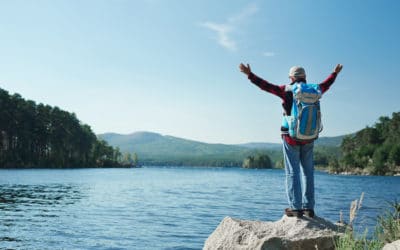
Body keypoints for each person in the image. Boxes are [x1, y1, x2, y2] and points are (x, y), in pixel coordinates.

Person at [239, 63, 343, 217]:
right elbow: (327, 84)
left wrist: (250, 74)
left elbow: (266, 86)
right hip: (309, 136)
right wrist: (334, 73)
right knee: (308, 172)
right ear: (305, 77)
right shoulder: (315, 89)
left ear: (291, 78)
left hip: (290, 136)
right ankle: (309, 208)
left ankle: (296, 208)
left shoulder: (286, 90)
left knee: (292, 172)